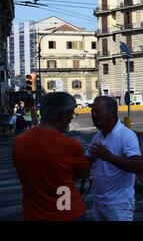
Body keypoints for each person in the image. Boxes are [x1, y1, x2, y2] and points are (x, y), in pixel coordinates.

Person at [12, 92, 90, 221]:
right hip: (66, 212)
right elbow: (84, 173)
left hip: (33, 213)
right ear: (63, 116)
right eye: (71, 114)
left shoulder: (19, 141)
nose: (72, 117)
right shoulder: (70, 145)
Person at [85, 96, 143, 221]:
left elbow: (137, 165)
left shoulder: (126, 135)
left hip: (119, 204)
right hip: (98, 202)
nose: (94, 115)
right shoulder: (97, 136)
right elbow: (86, 162)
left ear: (111, 113)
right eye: (92, 111)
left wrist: (109, 157)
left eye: (98, 111)